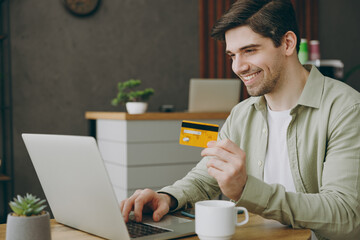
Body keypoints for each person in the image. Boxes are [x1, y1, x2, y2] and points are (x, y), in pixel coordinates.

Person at [120, 0, 360, 239]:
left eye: (250, 50)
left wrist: (247, 190)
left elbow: (345, 214)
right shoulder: (242, 113)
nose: (238, 67)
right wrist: (167, 198)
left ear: (287, 43)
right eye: (232, 55)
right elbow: (206, 178)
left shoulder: (346, 109)